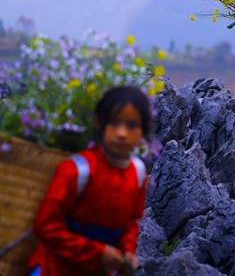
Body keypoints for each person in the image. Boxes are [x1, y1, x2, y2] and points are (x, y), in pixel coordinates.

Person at [27, 86, 153, 276]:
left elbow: (130, 222)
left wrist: (127, 250)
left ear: (144, 130)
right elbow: (45, 226)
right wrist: (98, 253)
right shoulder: (77, 170)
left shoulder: (137, 174)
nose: (121, 133)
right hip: (53, 269)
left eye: (132, 125)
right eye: (114, 123)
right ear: (99, 123)